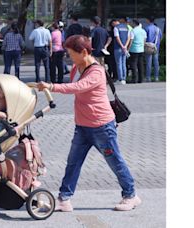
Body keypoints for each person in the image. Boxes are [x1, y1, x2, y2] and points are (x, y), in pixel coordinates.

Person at [37, 35, 141, 212]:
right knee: (73, 162)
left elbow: (77, 87)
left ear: (84, 52)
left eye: (71, 54)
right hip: (83, 127)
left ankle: (131, 195)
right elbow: (74, 86)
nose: (69, 57)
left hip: (102, 127)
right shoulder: (76, 68)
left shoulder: (96, 71)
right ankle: (64, 199)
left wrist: (51, 86)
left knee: (114, 161)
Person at [113, 17, 131, 84]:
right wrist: (125, 46)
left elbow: (117, 38)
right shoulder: (127, 28)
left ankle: (120, 79)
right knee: (124, 63)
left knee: (119, 63)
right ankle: (124, 78)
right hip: (125, 48)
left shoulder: (116, 28)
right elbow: (129, 38)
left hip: (118, 48)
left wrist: (121, 46)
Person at [144, 16, 162, 82]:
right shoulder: (158, 29)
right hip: (156, 47)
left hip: (148, 47)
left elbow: (144, 38)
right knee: (156, 63)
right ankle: (156, 77)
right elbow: (160, 37)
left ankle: (148, 77)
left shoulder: (147, 28)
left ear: (148, 20)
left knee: (149, 63)